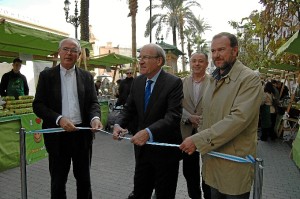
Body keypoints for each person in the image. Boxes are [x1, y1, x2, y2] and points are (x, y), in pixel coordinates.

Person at [179, 32, 263, 198]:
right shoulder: (213, 80)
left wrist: (197, 140)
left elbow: (238, 119)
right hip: (212, 163)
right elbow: (209, 116)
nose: (216, 55)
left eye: (221, 49)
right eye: (213, 50)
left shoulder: (249, 79)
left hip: (233, 165)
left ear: (235, 50)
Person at [32, 37, 102, 199]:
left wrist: (95, 118)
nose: (69, 53)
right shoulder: (46, 76)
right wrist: (59, 119)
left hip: (81, 136)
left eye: (74, 50)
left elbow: (93, 103)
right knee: (58, 181)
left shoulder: (86, 77)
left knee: (84, 181)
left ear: (78, 55)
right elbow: (38, 105)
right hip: (57, 136)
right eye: (66, 49)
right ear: (59, 52)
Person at [113, 43, 183, 199]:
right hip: (142, 152)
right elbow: (128, 109)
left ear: (159, 61)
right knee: (140, 192)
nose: (141, 61)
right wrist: (118, 124)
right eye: (140, 58)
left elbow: (173, 116)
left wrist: (148, 132)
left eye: (146, 57)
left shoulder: (174, 83)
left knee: (164, 194)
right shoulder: (138, 82)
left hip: (165, 154)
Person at [180, 52, 210, 199]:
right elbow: (174, 106)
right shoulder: (181, 83)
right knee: (189, 170)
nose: (197, 64)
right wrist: (188, 117)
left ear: (207, 64)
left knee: (209, 168)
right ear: (190, 63)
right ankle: (195, 196)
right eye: (194, 61)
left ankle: (208, 194)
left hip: (208, 132)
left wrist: (203, 119)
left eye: (200, 61)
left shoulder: (215, 82)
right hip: (187, 132)